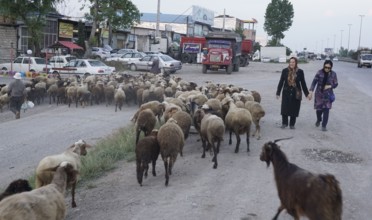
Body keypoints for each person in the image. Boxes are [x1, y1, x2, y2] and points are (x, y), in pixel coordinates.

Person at [276, 57, 310, 129]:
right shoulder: (285, 71)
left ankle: (292, 124)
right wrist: (278, 92)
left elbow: (303, 83)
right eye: (290, 62)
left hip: (296, 92)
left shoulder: (300, 72)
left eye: (293, 62)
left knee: (294, 108)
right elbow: (281, 82)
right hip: (286, 92)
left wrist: (307, 94)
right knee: (285, 107)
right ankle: (284, 123)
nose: (291, 63)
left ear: (296, 63)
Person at [308, 60, 338, 131]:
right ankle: (319, 119)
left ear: (331, 67)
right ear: (323, 66)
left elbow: (336, 84)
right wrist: (311, 91)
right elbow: (314, 82)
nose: (327, 69)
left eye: (329, 68)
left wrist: (330, 86)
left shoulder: (333, 74)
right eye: (325, 67)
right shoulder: (319, 72)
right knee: (318, 110)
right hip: (319, 94)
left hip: (328, 95)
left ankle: (324, 126)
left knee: (326, 110)